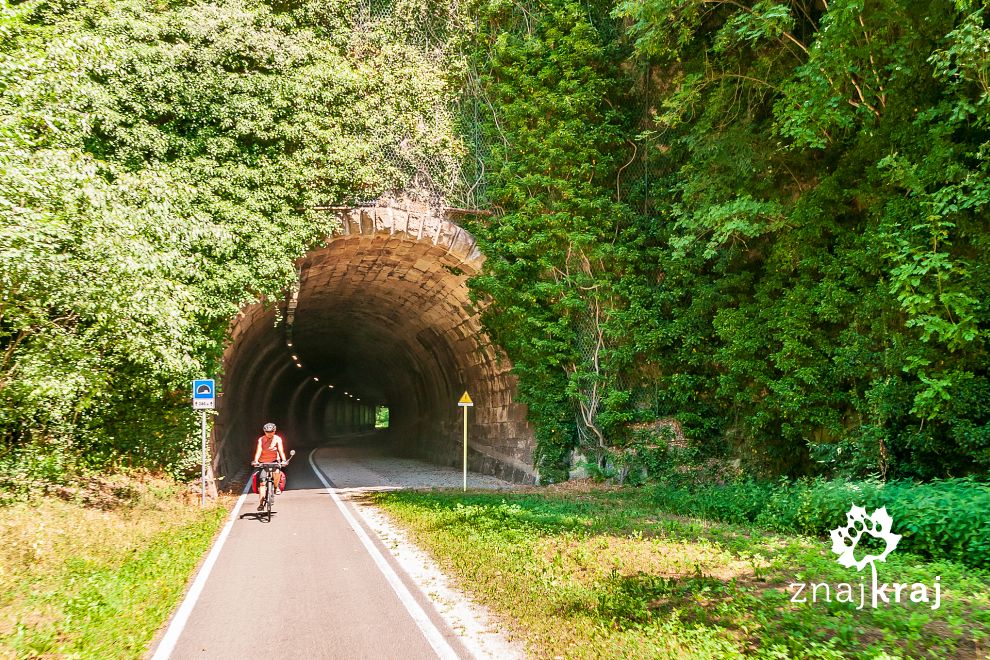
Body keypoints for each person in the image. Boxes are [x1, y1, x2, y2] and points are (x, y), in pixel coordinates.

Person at [252, 422, 287, 511]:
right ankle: (261, 503)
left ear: (274, 431)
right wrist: (256, 461)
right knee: (262, 483)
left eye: (271, 431)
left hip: (274, 461)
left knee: (277, 472)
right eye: (267, 432)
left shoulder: (277, 439)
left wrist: (284, 460)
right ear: (264, 432)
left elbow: (280, 450)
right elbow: (259, 450)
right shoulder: (261, 440)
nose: (269, 433)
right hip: (263, 462)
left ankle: (276, 487)